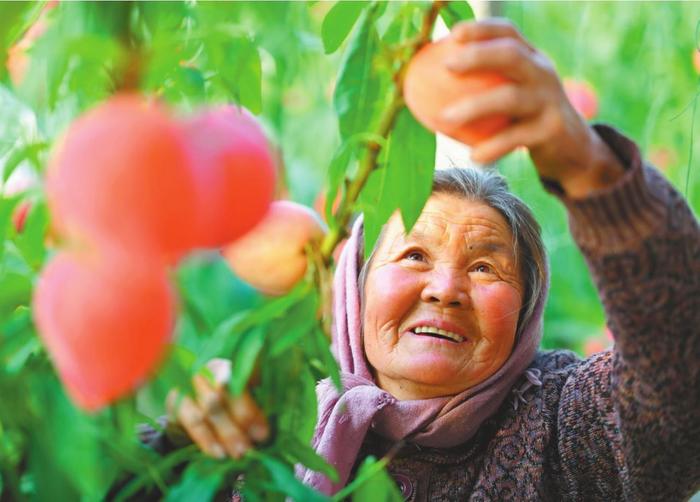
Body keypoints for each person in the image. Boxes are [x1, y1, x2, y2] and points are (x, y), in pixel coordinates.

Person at [167, 19, 700, 500]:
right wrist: (180, 432)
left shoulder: (566, 427)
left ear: (524, 314)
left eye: (485, 267)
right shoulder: (270, 428)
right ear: (355, 291)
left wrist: (587, 165)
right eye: (415, 254)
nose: (445, 288)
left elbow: (677, 375)